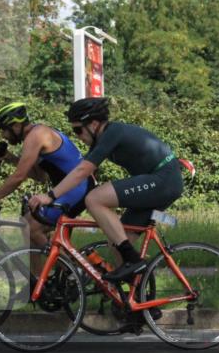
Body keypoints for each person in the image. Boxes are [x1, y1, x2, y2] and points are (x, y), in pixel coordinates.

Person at [28, 97, 183, 283]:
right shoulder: (103, 139)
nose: (77, 136)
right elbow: (81, 172)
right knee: (117, 241)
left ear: (93, 124)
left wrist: (50, 196)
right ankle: (136, 297)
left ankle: (133, 260)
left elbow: (83, 171)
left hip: (164, 180)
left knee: (94, 199)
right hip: (161, 181)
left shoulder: (112, 132)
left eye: (78, 130)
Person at [0, 102, 93, 252]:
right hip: (75, 187)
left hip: (77, 188)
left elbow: (18, 177)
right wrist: (11, 158)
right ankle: (46, 267)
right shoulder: (36, 133)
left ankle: (67, 266)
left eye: (3, 129)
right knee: (27, 224)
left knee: (31, 228)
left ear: (15, 126)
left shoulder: (36, 136)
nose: (2, 135)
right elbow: (40, 176)